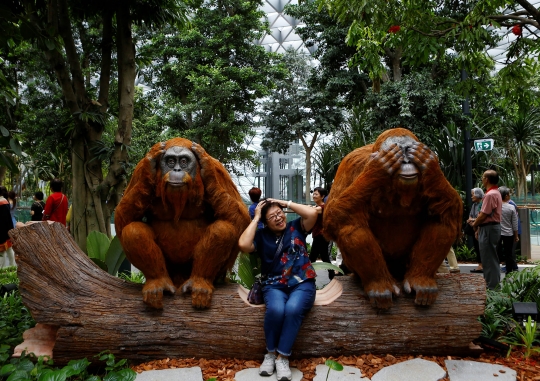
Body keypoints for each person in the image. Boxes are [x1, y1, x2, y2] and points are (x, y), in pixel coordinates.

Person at [238, 198, 318, 381]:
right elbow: (243, 245)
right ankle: (270, 354)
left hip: (302, 282)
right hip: (274, 285)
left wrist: (285, 203)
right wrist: (256, 218)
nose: (278, 217)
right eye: (272, 216)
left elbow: (313, 213)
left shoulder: (296, 226)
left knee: (293, 309)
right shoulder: (261, 236)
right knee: (276, 310)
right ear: (265, 222)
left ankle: (283, 357)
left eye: (279, 213)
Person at [471, 170, 502, 290]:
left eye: (483, 177)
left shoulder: (490, 195)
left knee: (488, 258)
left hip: (489, 228)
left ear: (486, 180)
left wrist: (475, 224)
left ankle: (492, 287)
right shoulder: (495, 192)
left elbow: (483, 214)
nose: (482, 179)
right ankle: (491, 284)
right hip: (490, 228)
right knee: (490, 257)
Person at [308, 187, 334, 280]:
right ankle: (331, 275)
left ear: (322, 196)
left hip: (320, 235)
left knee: (313, 257)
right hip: (320, 235)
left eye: (316, 194)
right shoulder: (318, 207)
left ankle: (308, 276)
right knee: (323, 256)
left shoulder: (322, 207)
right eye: (313, 194)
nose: (314, 196)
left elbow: (312, 211)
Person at [498, 187, 519, 274]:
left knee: (496, 252)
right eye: (509, 194)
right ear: (506, 196)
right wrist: (516, 235)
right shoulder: (511, 207)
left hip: (497, 233)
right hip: (508, 233)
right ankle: (509, 272)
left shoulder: (495, 207)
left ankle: (495, 271)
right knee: (509, 253)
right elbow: (515, 223)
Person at [467, 188, 484, 273]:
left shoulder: (483, 204)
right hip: (474, 228)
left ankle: (482, 265)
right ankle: (480, 265)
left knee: (481, 247)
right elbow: (471, 216)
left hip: (481, 229)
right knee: (477, 247)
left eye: (473, 194)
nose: (472, 197)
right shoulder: (474, 205)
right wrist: (472, 221)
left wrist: (473, 221)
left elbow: (481, 217)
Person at [0, 186, 15, 268]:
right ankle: (13, 267)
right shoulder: (5, 202)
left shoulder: (1, 203)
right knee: (9, 249)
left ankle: (2, 270)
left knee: (2, 251)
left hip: (2, 231)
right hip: (7, 229)